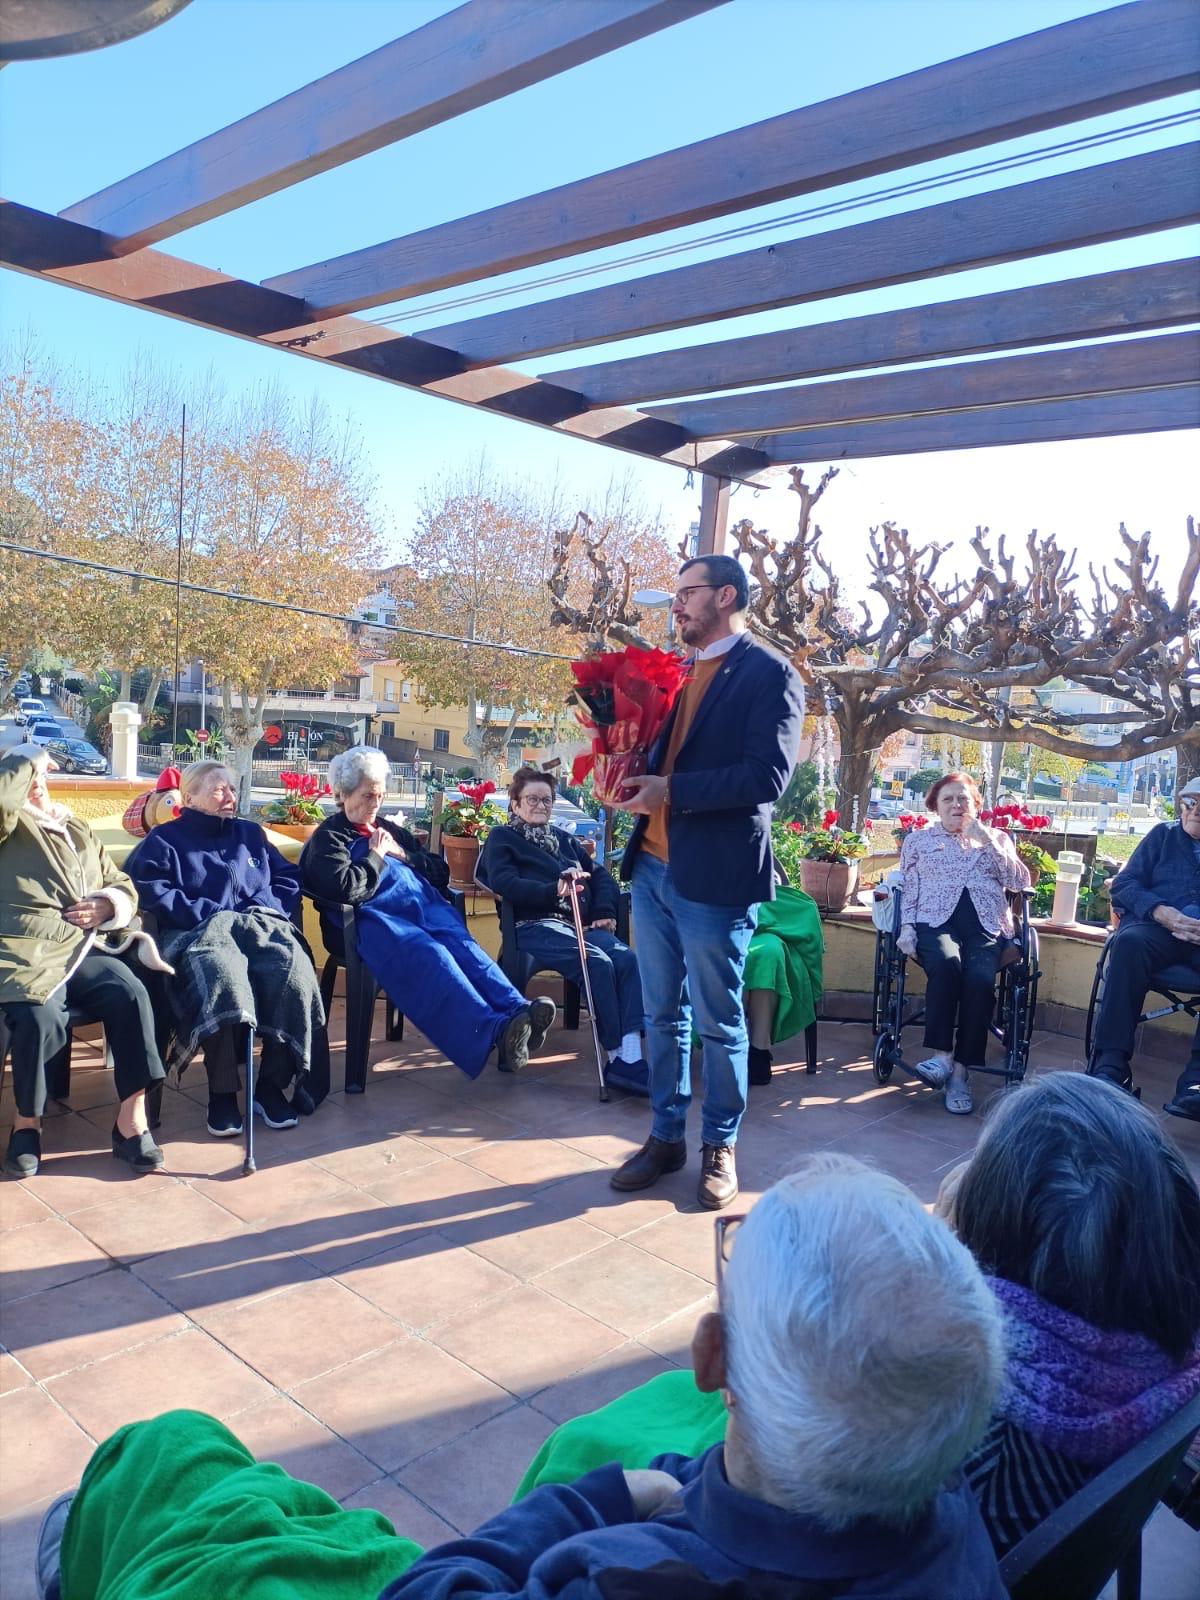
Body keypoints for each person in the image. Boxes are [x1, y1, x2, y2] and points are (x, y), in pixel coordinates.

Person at [36, 1155, 1007, 1600]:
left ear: (714, 1360)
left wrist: (595, 1499)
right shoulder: (954, 1518)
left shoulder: (629, 1576)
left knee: (165, 1454)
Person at [521, 1073, 1200, 1562]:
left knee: (581, 1445)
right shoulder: (1159, 1374)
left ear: (999, 1262)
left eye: (980, 1169)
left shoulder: (956, 1453)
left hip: (743, 1497)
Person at [612, 554, 805, 1208]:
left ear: (725, 596)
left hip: (715, 881)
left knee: (720, 1023)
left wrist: (671, 790)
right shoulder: (677, 671)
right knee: (662, 1014)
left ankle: (720, 1145)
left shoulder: (771, 673)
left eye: (687, 593)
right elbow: (660, 755)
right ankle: (665, 1136)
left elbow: (766, 778)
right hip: (651, 868)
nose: (676, 605)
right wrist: (625, 774)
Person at [302, 746, 554, 1079]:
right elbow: (346, 889)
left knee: (461, 944)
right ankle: (496, 1030)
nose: (375, 804)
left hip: (421, 911)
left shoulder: (390, 830)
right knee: (433, 955)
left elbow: (440, 871)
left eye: (380, 795)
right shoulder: (329, 839)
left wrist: (404, 854)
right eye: (367, 796)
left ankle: (519, 1011)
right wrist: (376, 856)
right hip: (371, 925)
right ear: (343, 794)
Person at [124, 761, 325, 1138]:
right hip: (197, 931)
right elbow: (147, 888)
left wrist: (265, 907)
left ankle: (270, 1087)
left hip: (257, 925)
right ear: (189, 798)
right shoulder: (165, 840)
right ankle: (223, 1094)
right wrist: (207, 912)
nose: (230, 796)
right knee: (221, 973)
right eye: (219, 790)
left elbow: (287, 878)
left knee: (293, 968)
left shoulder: (250, 834)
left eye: (232, 788)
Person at [1, 744, 166, 1178]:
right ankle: (27, 1125)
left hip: (83, 947)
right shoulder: (9, 827)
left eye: (41, 776)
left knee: (131, 994)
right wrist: (26, 757)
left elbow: (120, 881)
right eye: (28, 777)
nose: (37, 784)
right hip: (25, 950)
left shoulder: (75, 826)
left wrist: (108, 905)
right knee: (38, 1014)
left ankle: (131, 1121)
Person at [479, 766, 646, 1092]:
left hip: (578, 926)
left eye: (547, 800)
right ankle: (616, 1057)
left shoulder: (564, 840)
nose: (540, 806)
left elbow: (601, 876)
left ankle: (631, 1057)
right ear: (515, 804)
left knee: (628, 960)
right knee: (596, 962)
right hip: (533, 925)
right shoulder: (503, 838)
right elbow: (503, 882)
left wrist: (602, 911)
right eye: (532, 799)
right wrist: (553, 890)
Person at [896, 771, 1030, 1115]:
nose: (956, 805)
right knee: (945, 965)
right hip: (933, 920)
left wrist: (986, 839)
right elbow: (909, 887)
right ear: (935, 806)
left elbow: (1018, 881)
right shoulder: (918, 841)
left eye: (963, 799)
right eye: (948, 799)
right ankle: (942, 1057)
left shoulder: (997, 838)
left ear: (976, 805)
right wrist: (907, 926)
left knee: (980, 980)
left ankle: (960, 1073)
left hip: (985, 923)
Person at [1090, 773, 1200, 1120]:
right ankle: (1111, 1065)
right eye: (1191, 802)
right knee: (1128, 943)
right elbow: (1124, 884)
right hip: (1157, 930)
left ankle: (1196, 1083)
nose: (1196, 810)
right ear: (1181, 806)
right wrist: (1160, 911)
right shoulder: (1162, 836)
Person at [741, 881, 823, 1085]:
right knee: (734, 958)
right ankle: (729, 1045)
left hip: (764, 915)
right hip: (717, 917)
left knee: (769, 955)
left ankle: (759, 1051)